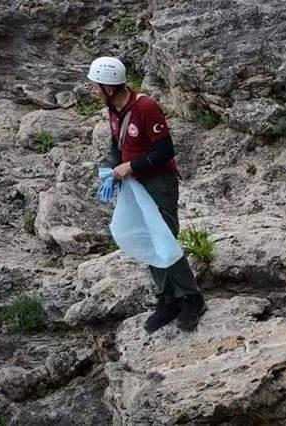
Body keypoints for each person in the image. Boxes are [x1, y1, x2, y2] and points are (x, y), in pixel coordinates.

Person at [87, 56, 206, 333]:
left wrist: (132, 165)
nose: (92, 90)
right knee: (147, 236)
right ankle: (167, 297)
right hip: (136, 184)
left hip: (158, 182)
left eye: (95, 85)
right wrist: (114, 168)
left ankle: (191, 297)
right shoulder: (114, 110)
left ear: (109, 86)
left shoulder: (146, 107)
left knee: (163, 236)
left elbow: (165, 151)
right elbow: (118, 145)